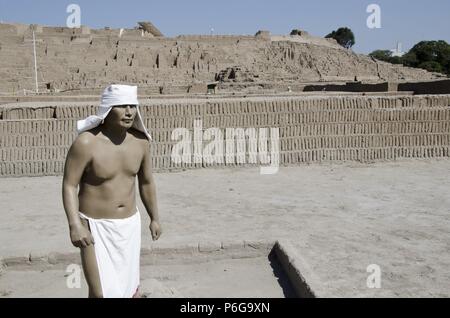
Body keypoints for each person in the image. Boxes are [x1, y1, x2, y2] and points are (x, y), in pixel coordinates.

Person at [62, 84, 162, 298]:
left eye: (132, 106)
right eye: (122, 106)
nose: (129, 112)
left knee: (129, 289)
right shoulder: (86, 142)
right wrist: (75, 225)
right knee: (100, 293)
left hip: (129, 226)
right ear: (108, 109)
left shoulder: (141, 142)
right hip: (95, 227)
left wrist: (154, 217)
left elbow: (146, 182)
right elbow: (70, 184)